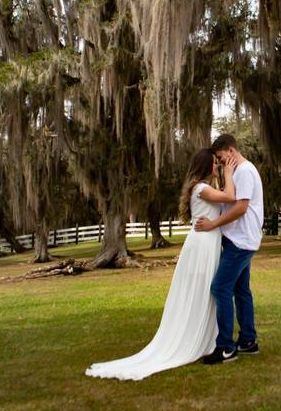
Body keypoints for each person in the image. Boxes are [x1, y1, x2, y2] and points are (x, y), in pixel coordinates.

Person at [84, 148, 238, 380]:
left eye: (219, 164)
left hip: (208, 243)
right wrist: (228, 171)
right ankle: (199, 338)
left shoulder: (206, 187)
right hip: (203, 245)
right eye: (215, 164)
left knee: (209, 292)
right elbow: (231, 198)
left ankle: (211, 338)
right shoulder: (202, 188)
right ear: (206, 166)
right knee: (203, 291)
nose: (217, 167)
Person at [195, 133, 264, 364]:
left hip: (240, 242)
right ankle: (247, 341)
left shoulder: (243, 171)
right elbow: (230, 200)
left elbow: (241, 207)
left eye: (221, 157)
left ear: (231, 151)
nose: (221, 161)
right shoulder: (242, 171)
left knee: (220, 288)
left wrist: (213, 224)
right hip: (242, 240)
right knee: (241, 291)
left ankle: (225, 347)